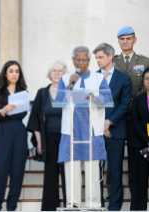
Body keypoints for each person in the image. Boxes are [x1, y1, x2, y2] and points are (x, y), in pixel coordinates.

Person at [57, 46, 109, 208]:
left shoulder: (99, 78)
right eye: (78, 59)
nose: (81, 62)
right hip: (71, 130)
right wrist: (69, 86)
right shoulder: (65, 79)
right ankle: (73, 204)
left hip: (91, 130)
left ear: (89, 60)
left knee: (92, 170)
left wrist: (93, 96)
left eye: (84, 59)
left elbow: (108, 99)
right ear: (73, 60)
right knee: (71, 169)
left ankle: (93, 203)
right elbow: (59, 102)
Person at [93, 43, 132, 210]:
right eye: (96, 58)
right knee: (96, 172)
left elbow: (124, 104)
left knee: (115, 171)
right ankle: (97, 204)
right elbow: (89, 105)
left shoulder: (124, 79)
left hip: (115, 131)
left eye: (100, 57)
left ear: (110, 56)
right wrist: (100, 124)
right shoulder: (91, 78)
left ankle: (115, 206)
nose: (98, 60)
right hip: (96, 132)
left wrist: (109, 122)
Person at [112, 26, 149, 196]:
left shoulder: (144, 62)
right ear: (118, 41)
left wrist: (134, 102)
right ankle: (112, 191)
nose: (125, 41)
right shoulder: (112, 61)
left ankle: (136, 191)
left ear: (134, 40)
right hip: (117, 117)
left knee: (135, 156)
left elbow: (146, 86)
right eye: (122, 39)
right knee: (114, 155)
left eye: (128, 38)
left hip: (137, 117)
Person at [27, 60, 68, 210]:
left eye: (60, 70)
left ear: (65, 73)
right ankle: (50, 208)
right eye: (54, 71)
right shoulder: (42, 92)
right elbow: (36, 119)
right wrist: (39, 142)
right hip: (48, 138)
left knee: (67, 174)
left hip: (66, 138)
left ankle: (69, 206)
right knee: (50, 175)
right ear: (49, 74)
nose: (57, 73)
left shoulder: (69, 91)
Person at [0, 61, 28, 211]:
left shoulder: (23, 92)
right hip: (3, 132)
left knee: (17, 172)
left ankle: (12, 206)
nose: (14, 74)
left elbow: (23, 112)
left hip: (19, 131)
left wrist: (3, 113)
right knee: (0, 170)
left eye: (17, 71)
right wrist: (5, 110)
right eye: (11, 71)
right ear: (5, 73)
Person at [130, 67, 149, 210]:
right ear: (143, 81)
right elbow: (135, 122)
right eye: (147, 79)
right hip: (140, 145)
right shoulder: (137, 99)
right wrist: (146, 140)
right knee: (139, 183)